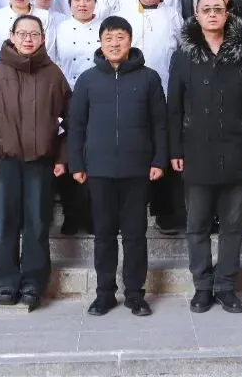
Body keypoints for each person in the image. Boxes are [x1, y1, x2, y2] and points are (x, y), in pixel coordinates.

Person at [169, 0, 242, 315]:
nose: (212, 14)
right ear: (196, 15)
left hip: (236, 149)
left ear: (227, 14)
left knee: (232, 225)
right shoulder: (183, 56)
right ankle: (202, 286)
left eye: (218, 9)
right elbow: (174, 106)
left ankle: (225, 286)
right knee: (197, 224)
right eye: (206, 10)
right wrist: (174, 148)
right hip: (195, 150)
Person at [68, 16, 167, 318]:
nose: (114, 43)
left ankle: (135, 294)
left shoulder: (149, 78)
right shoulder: (87, 80)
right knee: (104, 236)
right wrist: (76, 162)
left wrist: (159, 159)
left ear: (130, 41)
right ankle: (105, 294)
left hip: (138, 169)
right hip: (98, 170)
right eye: (109, 38)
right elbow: (76, 125)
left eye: (120, 37)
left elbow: (160, 123)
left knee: (135, 235)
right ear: (100, 42)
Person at [0, 15, 70, 311]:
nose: (28, 39)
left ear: (43, 38)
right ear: (12, 36)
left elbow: (70, 120)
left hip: (41, 162)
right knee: (5, 223)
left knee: (37, 223)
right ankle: (6, 282)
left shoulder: (53, 74)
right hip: (6, 161)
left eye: (34, 34)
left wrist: (63, 157)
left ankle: (33, 283)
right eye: (22, 33)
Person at [120, 0, 185, 235]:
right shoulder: (124, 15)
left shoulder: (174, 16)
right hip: (129, 93)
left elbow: (182, 52)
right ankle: (128, 209)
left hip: (166, 93)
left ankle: (163, 211)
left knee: (163, 149)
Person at [50, 0, 102, 235]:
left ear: (95, 2)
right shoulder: (60, 28)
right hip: (66, 96)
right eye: (77, 0)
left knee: (93, 155)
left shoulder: (103, 28)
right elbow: (53, 60)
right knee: (68, 154)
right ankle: (71, 214)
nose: (82, 4)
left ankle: (92, 215)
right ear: (69, 4)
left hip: (97, 98)